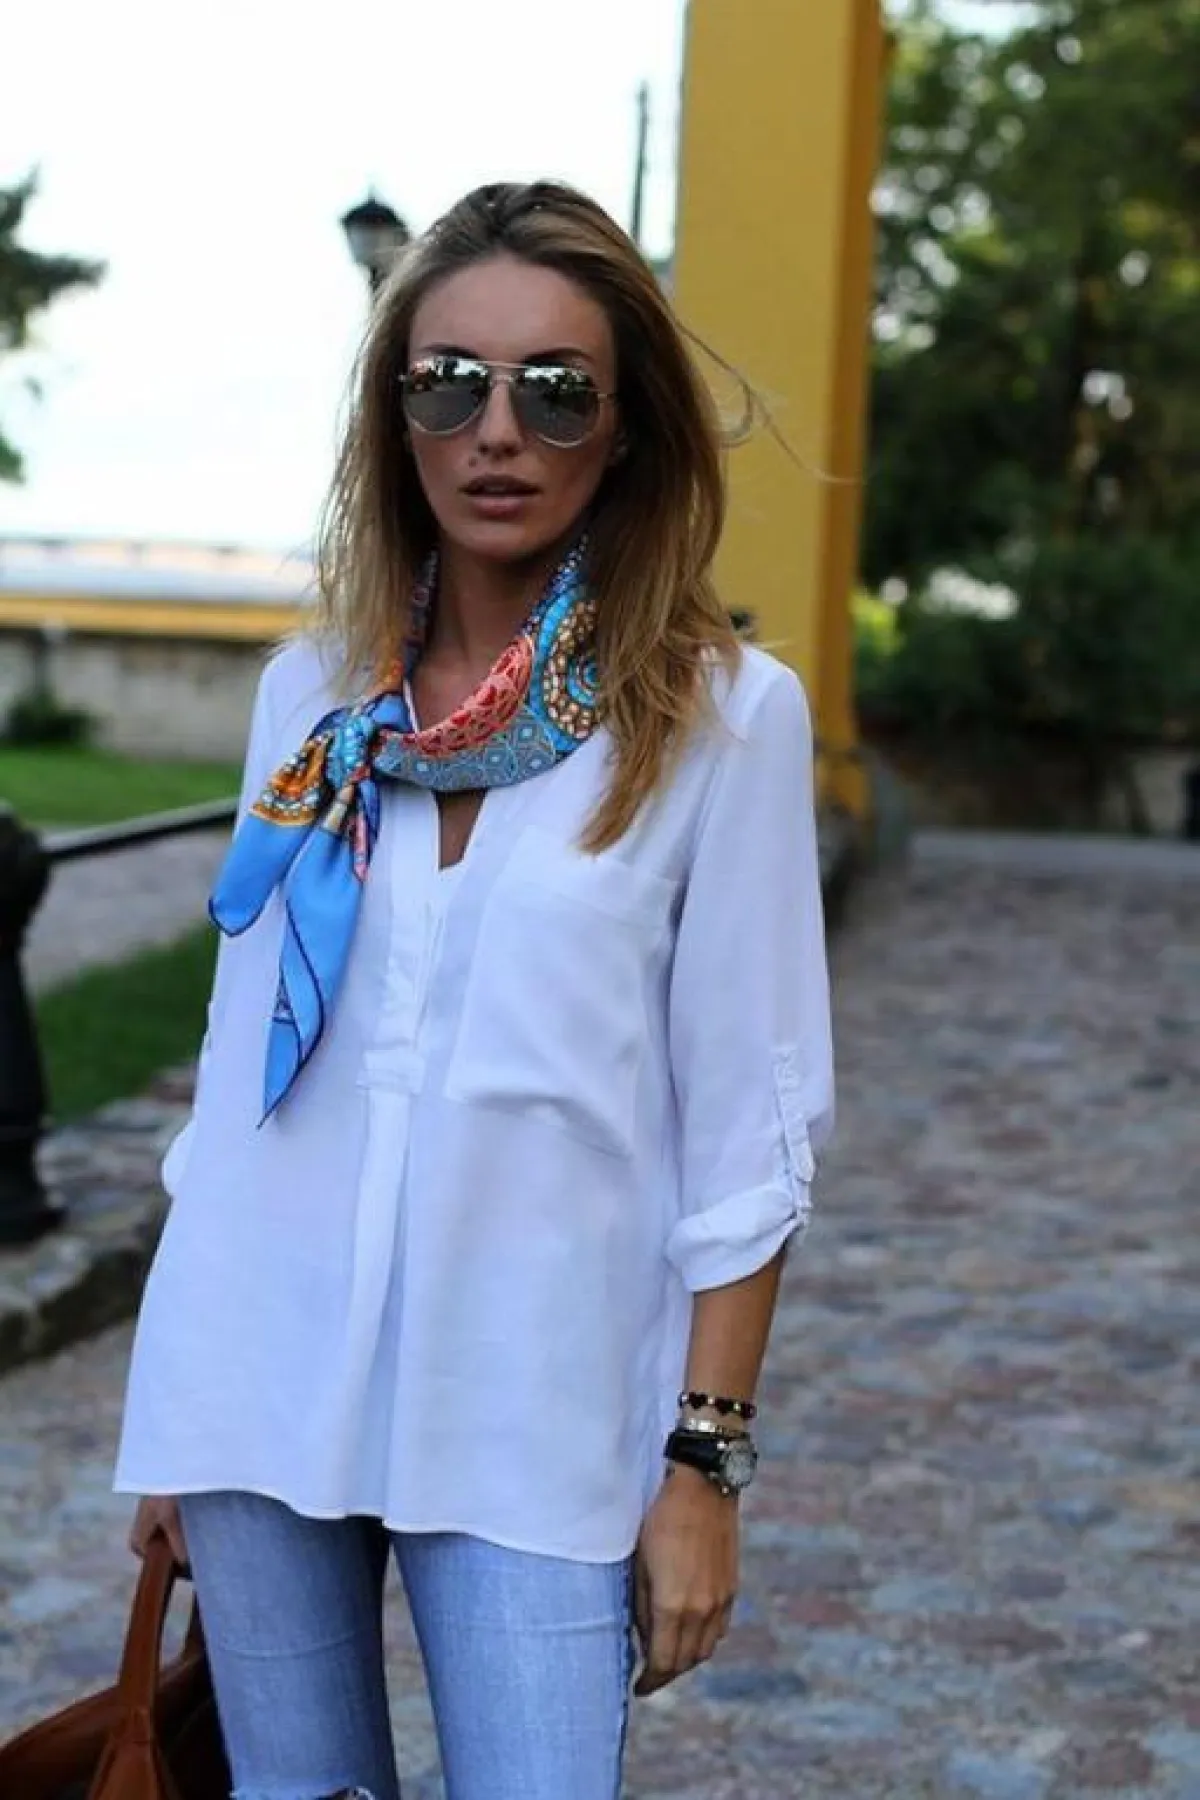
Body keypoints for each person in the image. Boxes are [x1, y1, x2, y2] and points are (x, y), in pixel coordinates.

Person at [114, 179, 834, 1800]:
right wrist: (184, 1408)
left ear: (625, 430)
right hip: (261, 1372)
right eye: (448, 383)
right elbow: (238, 1072)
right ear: (397, 417)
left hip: (534, 1403)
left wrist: (704, 1468)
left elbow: (756, 1126)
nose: (496, 432)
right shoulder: (316, 697)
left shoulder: (720, 720)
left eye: (555, 390)